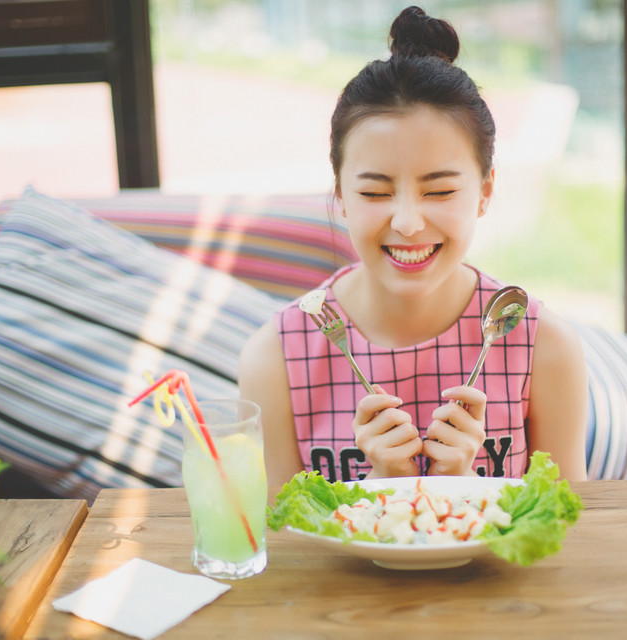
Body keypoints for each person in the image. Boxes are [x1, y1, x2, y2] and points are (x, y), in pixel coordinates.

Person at [239, 5, 587, 492]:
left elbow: (562, 535)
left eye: (440, 191)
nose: (406, 222)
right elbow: (284, 547)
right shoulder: (276, 359)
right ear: (340, 195)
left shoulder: (543, 349)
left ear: (485, 192)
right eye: (375, 192)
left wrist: (465, 487)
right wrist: (382, 489)